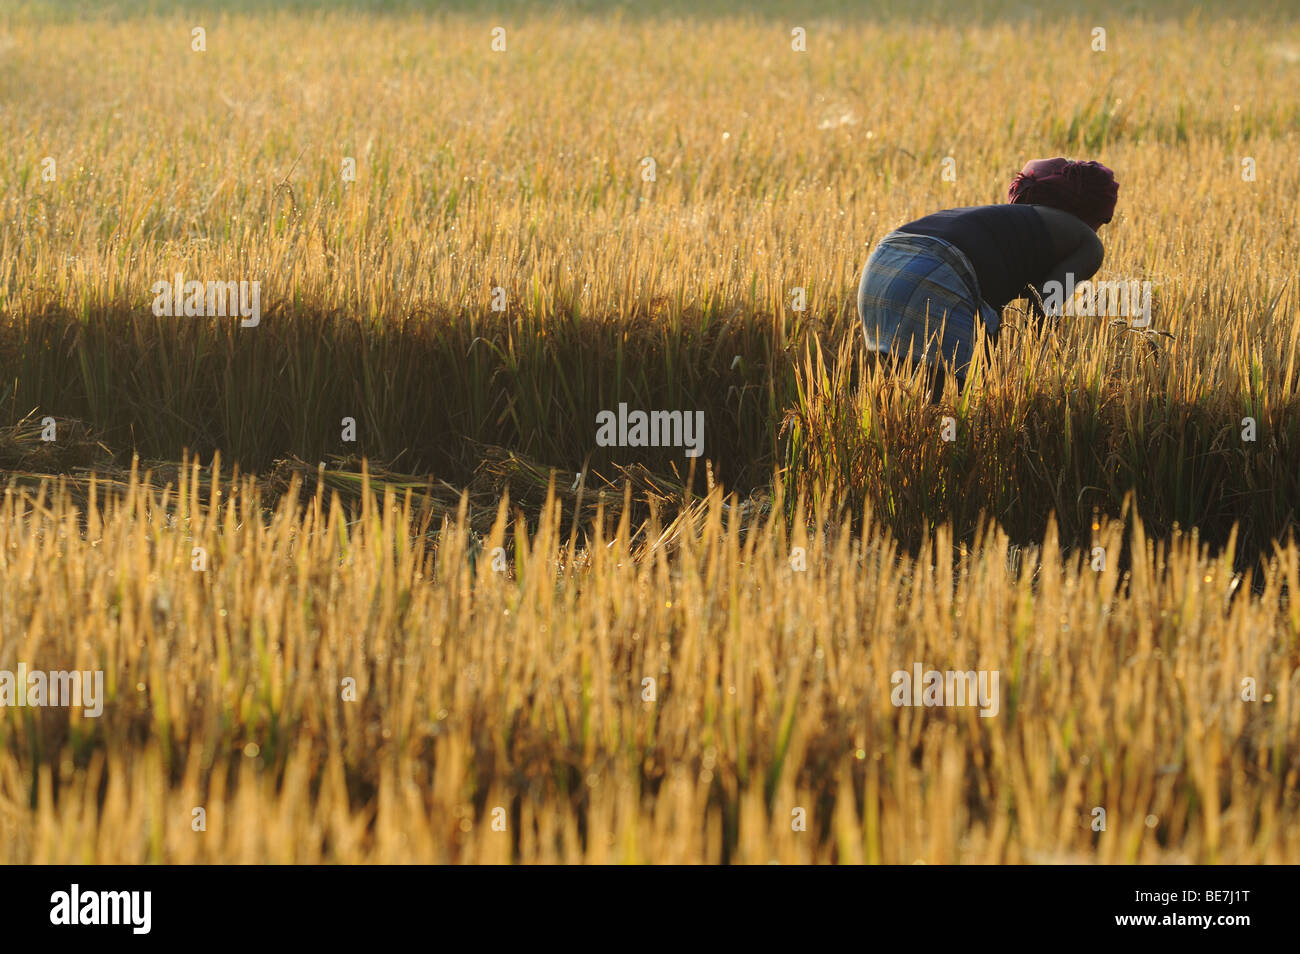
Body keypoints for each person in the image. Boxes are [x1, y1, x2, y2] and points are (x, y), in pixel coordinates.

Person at [857, 158, 1119, 398]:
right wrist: (1034, 375)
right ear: (1091, 214)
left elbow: (991, 297)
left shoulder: (1007, 223)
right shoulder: (1087, 242)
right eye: (1103, 221)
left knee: (906, 403)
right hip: (938, 275)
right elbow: (1044, 305)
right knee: (966, 404)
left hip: (882, 267)